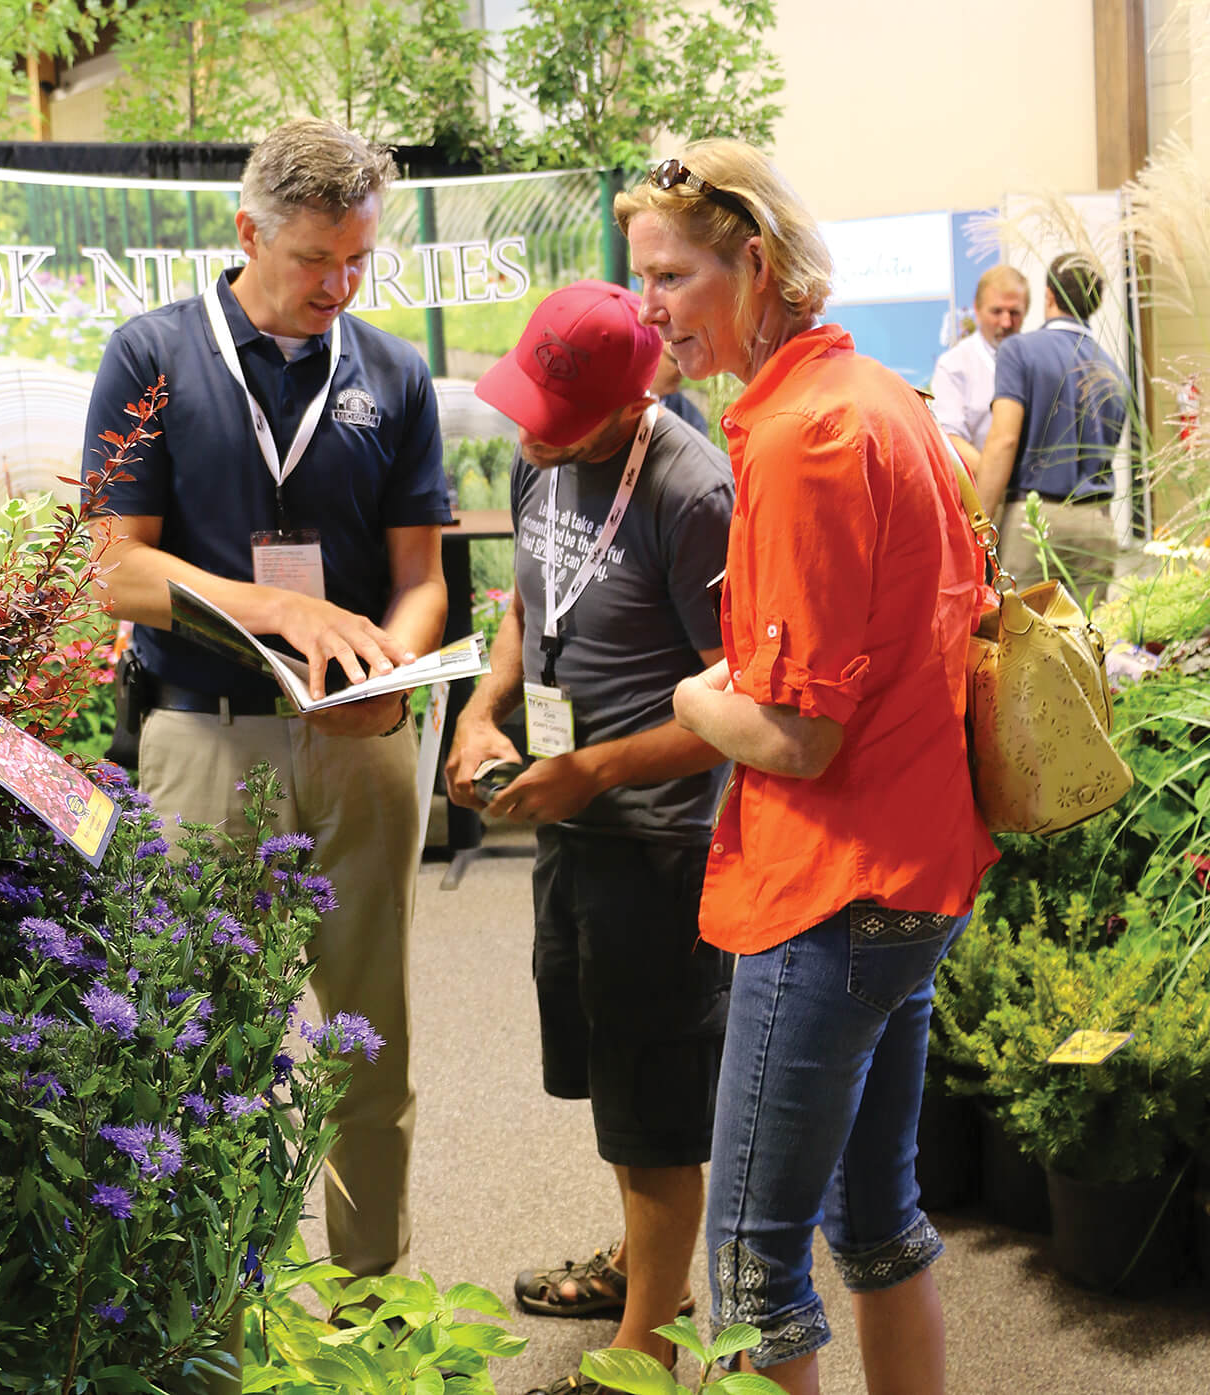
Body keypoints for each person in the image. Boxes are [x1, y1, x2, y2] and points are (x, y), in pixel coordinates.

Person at [615, 142, 997, 1395]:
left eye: (673, 277)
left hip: (834, 889)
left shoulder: (802, 434)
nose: (651, 308)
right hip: (911, 871)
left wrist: (686, 694)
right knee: (878, 1222)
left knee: (749, 1269)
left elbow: (799, 737)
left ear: (757, 264)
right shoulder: (879, 398)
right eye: (643, 279)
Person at [81, 117, 451, 1282]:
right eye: (313, 262)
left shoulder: (390, 372)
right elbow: (117, 571)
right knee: (201, 1037)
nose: (338, 287)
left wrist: (389, 671)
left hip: (359, 748)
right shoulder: (149, 356)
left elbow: (422, 581)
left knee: (367, 1042)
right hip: (204, 740)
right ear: (248, 232)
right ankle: (211, 1309)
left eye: (359, 262)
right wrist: (277, 609)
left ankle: (370, 1302)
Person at [444, 280, 735, 1395]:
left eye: (557, 416)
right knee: (608, 1068)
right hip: (567, 815)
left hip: (659, 842)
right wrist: (481, 713)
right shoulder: (540, 453)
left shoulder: (693, 492)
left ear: (633, 401)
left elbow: (736, 703)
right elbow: (528, 599)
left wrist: (594, 772)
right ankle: (640, 1269)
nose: (528, 433)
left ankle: (651, 1349)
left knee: (655, 1095)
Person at [976, 252, 1128, 596]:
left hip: (1034, 525)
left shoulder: (1018, 351)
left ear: (1048, 296)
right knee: (1086, 643)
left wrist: (980, 527)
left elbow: (1004, 441)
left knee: (1026, 642)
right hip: (1097, 527)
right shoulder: (1114, 374)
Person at [930, 264, 1030, 471]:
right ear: (977, 309)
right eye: (997, 311)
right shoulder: (954, 365)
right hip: (981, 491)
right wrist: (995, 481)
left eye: (1015, 312)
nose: (1006, 322)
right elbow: (951, 441)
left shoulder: (1037, 359)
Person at [650, 339, 709, 434]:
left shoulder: (691, 420)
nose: (683, 372)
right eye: (676, 361)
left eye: (689, 364)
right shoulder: (622, 393)